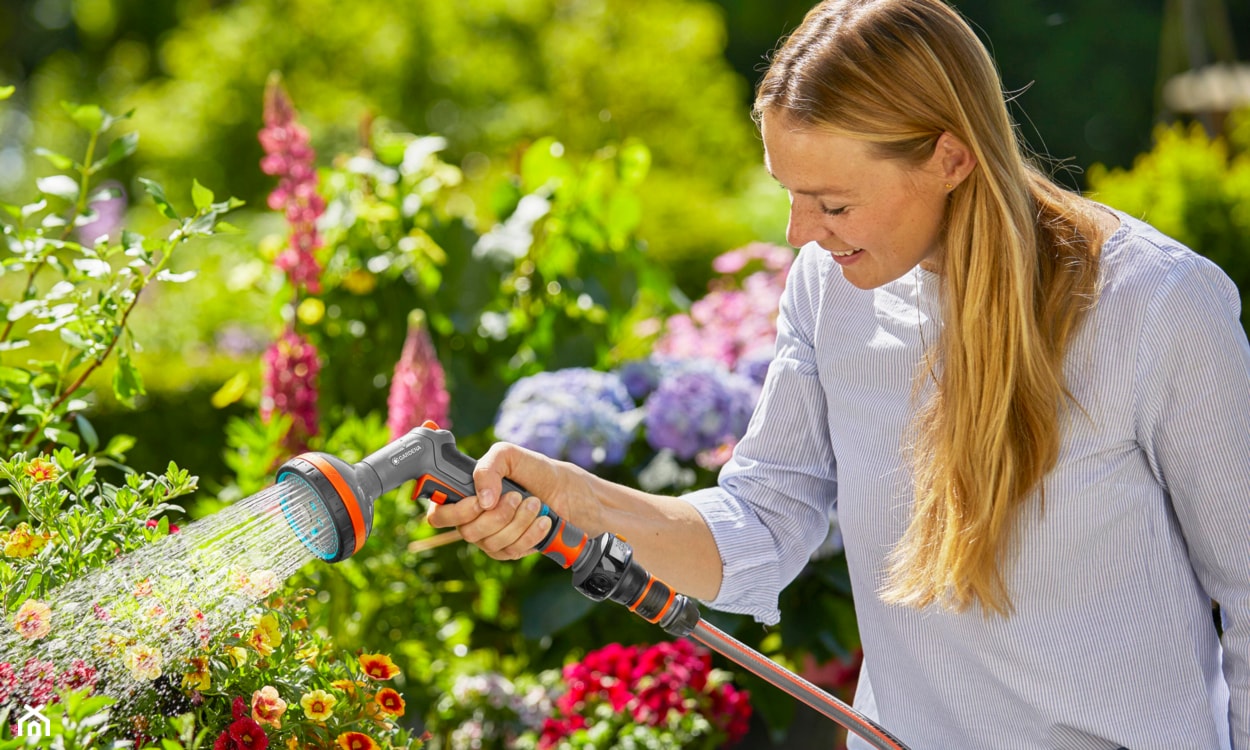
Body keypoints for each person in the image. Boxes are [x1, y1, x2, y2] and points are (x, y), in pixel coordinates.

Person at [428, 0, 1250, 747]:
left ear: (951, 158)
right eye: (789, 194)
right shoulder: (833, 289)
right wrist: (584, 502)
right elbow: (763, 521)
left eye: (833, 203)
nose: (797, 232)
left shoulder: (1157, 306)